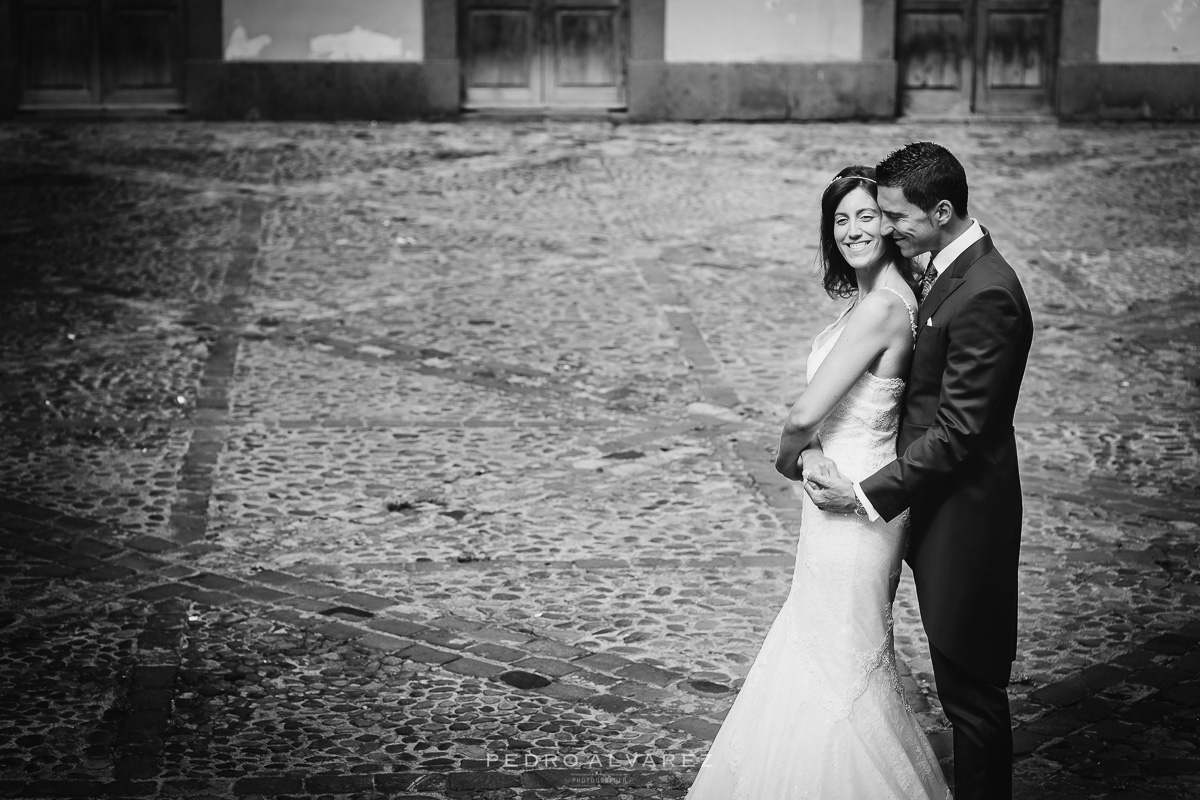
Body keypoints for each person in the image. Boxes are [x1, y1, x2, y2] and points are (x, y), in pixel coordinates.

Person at [686, 166, 951, 800]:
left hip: (852, 513)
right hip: (837, 494)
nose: (853, 230)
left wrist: (790, 458)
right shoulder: (872, 299)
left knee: (840, 665)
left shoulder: (885, 307)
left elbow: (805, 414)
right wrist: (811, 459)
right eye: (840, 220)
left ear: (889, 225)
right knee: (821, 652)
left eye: (867, 216)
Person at [804, 142, 1034, 800]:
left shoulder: (989, 293)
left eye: (895, 217)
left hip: (965, 523)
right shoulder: (943, 265)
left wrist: (863, 494)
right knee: (956, 683)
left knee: (972, 695)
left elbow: (959, 433)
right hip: (925, 508)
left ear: (940, 211)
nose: (883, 227)